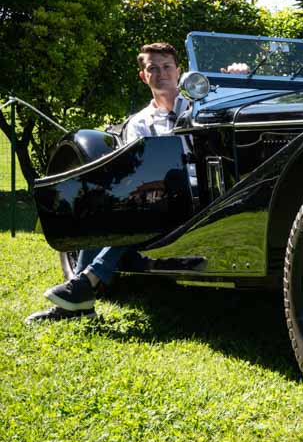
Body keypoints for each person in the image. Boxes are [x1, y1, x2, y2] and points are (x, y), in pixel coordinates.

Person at [25, 43, 186, 323]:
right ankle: (82, 289)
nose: (161, 74)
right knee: (110, 207)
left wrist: (238, 71)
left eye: (167, 67)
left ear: (179, 71)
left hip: (204, 195)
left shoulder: (202, 106)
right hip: (160, 200)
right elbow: (142, 171)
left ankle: (83, 287)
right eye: (152, 69)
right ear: (143, 76)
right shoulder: (139, 123)